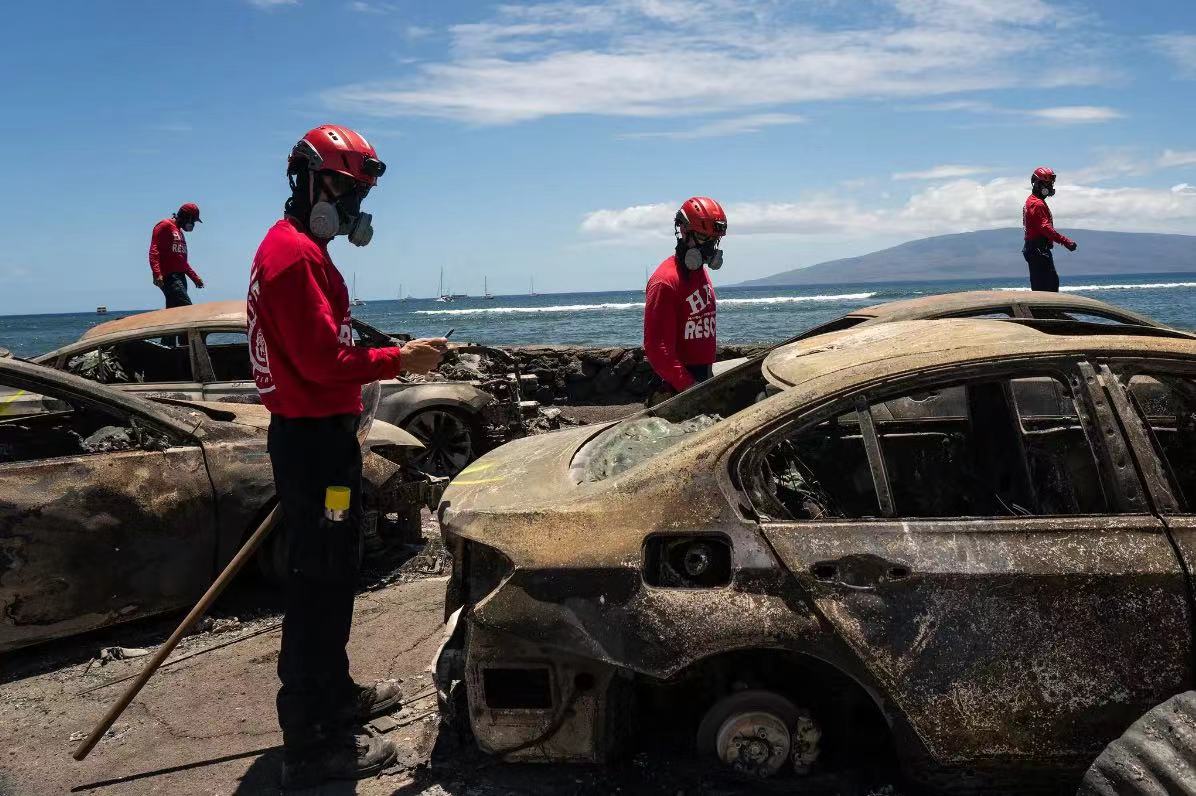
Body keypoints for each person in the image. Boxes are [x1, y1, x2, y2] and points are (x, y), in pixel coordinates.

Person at [246, 124, 446, 789]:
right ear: (308, 183)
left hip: (324, 448)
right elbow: (321, 360)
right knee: (318, 583)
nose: (354, 205)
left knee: (334, 569)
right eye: (344, 189)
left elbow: (329, 337)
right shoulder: (293, 257)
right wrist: (400, 360)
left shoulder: (302, 251)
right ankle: (311, 741)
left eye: (358, 193)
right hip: (311, 450)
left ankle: (334, 693)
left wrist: (379, 349)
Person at [643, 196, 726, 404]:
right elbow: (657, 348)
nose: (709, 246)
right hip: (677, 389)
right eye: (702, 236)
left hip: (702, 378)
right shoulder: (665, 281)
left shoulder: (699, 273)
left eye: (713, 239)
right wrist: (690, 389)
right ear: (684, 231)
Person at [1022, 167, 1077, 292]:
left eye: (1051, 183)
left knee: (1043, 287)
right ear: (1038, 184)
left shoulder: (1031, 201)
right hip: (1038, 250)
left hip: (1034, 249)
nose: (1050, 187)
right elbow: (1045, 228)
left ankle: (1044, 312)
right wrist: (1066, 241)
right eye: (1047, 183)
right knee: (1049, 289)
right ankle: (1045, 312)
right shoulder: (1038, 204)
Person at [149, 203, 205, 308]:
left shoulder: (179, 232)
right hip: (169, 277)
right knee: (185, 307)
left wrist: (195, 278)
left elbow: (182, 262)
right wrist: (157, 273)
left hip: (181, 277)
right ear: (187, 217)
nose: (193, 224)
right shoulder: (164, 225)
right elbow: (154, 250)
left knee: (173, 309)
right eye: (193, 221)